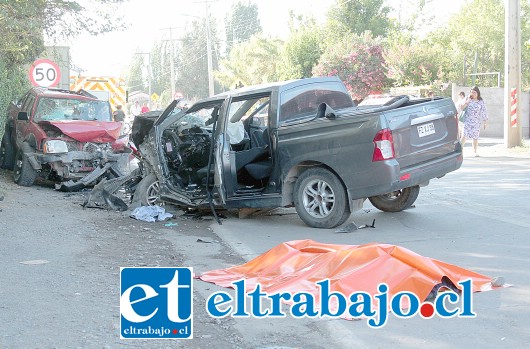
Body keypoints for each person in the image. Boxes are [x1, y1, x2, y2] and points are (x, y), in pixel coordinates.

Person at [460, 86, 488, 157]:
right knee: (464, 136)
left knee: (475, 137)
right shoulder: (467, 98)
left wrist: (485, 121)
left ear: (478, 93)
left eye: (474, 92)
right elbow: (461, 107)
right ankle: (460, 151)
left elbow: (484, 111)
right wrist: (467, 101)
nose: (473, 94)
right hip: (467, 120)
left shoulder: (481, 101)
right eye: (471, 92)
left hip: (476, 122)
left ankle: (475, 152)